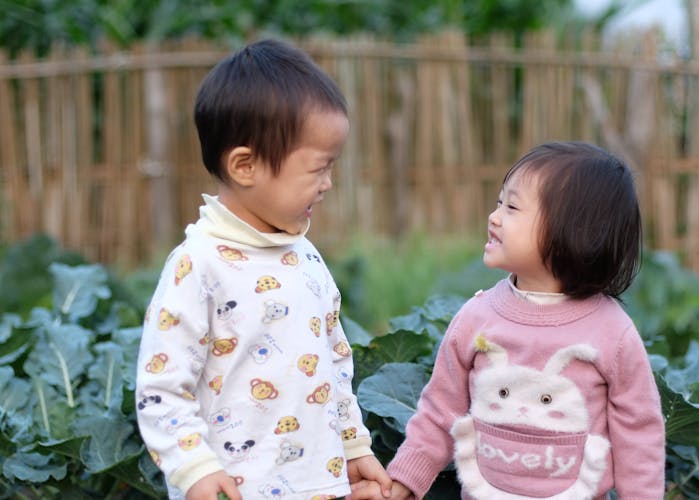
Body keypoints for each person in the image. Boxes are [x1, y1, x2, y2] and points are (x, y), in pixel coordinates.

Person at [135, 38, 391, 500]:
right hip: (232, 489)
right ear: (246, 165)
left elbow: (334, 362)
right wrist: (193, 468)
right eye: (318, 168)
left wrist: (353, 446)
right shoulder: (198, 265)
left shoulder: (304, 256)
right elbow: (161, 386)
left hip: (319, 485)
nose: (328, 184)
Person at [381, 142, 665, 499]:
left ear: (574, 232)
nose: (494, 216)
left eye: (512, 207)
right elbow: (440, 411)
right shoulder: (477, 317)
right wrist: (407, 480)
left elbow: (638, 435)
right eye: (499, 202)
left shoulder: (612, 331)